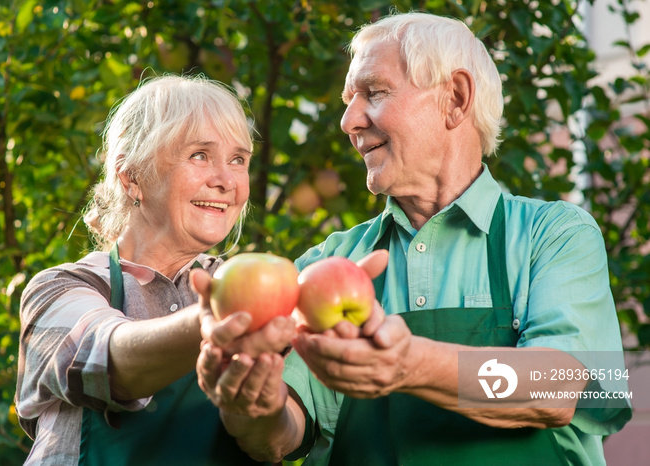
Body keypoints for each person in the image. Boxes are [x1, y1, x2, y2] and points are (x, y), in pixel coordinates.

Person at [195, 12, 632, 465]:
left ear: (456, 99)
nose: (348, 121)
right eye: (348, 101)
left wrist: (409, 365)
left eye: (374, 93)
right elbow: (282, 434)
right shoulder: (330, 263)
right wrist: (253, 408)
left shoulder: (554, 235)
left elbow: (557, 386)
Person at [15, 75, 294, 465]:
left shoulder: (258, 288)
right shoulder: (60, 289)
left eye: (238, 160)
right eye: (200, 154)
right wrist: (221, 319)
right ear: (133, 177)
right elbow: (110, 360)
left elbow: (278, 441)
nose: (226, 180)